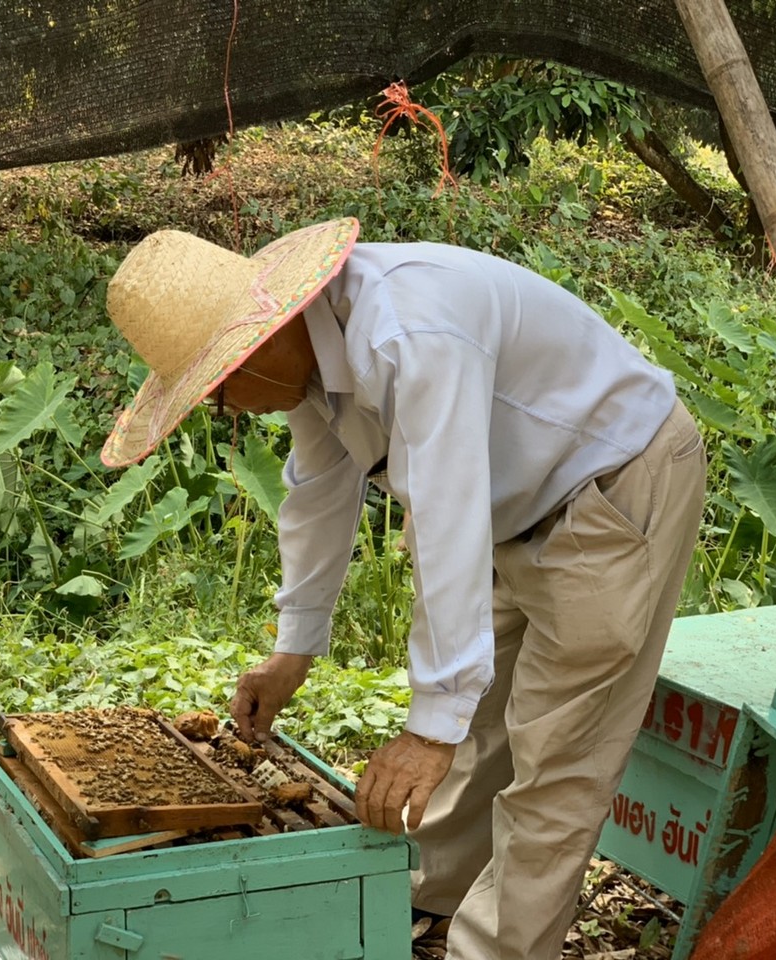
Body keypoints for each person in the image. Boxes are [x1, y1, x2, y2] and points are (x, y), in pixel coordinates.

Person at [99, 217, 706, 960]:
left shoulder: (407, 334)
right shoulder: (317, 361)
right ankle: (429, 900)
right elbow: (319, 491)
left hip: (613, 488)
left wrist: (426, 730)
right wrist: (292, 653)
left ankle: (493, 952)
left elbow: (446, 511)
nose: (232, 413)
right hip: (518, 504)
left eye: (219, 396)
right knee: (480, 728)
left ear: (253, 349)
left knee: (556, 764)